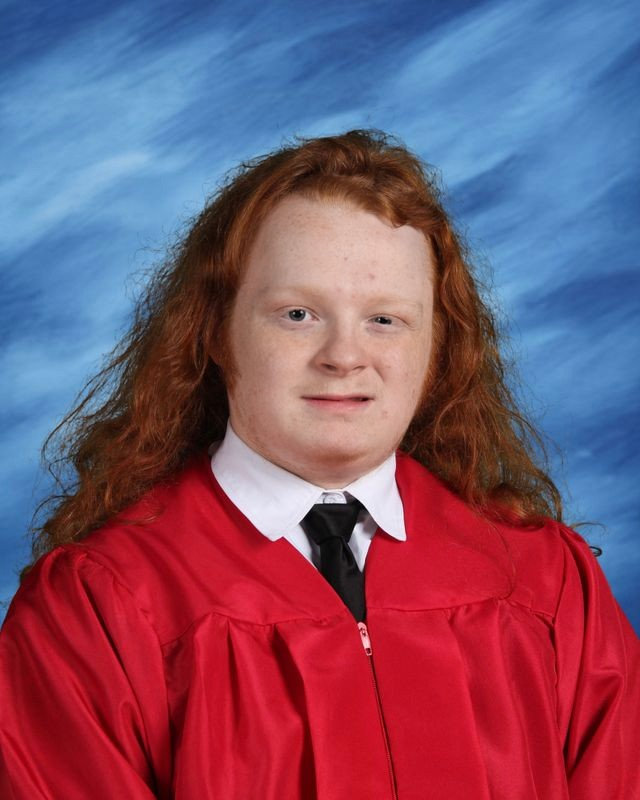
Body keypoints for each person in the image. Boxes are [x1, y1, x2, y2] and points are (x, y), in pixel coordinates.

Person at [0, 129, 638, 799]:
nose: (344, 356)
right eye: (298, 314)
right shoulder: (100, 608)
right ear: (215, 331)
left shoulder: (542, 583)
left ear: (437, 347)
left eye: (385, 320)